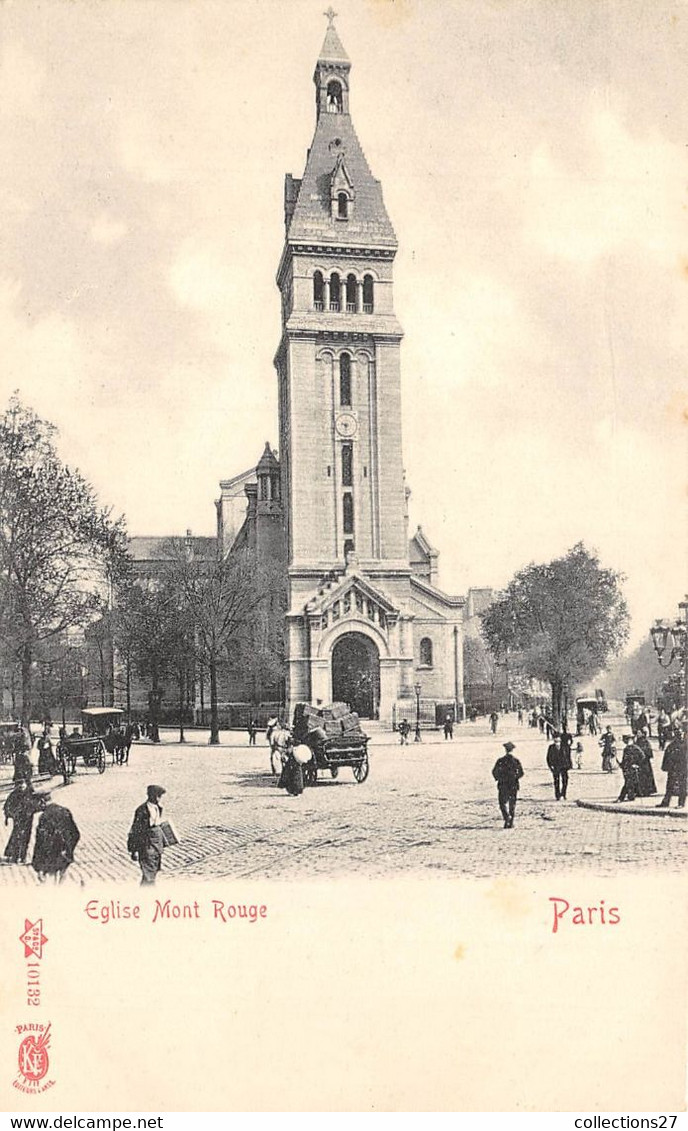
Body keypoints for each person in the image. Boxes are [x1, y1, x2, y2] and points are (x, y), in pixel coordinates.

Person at [31, 794, 80, 883]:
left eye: (36, 803)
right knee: (62, 879)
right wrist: (68, 849)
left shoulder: (44, 817)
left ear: (42, 801)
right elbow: (75, 834)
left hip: (50, 856)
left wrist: (38, 863)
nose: (36, 806)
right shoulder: (65, 811)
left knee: (50, 883)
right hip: (65, 855)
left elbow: (41, 841)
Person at [128, 785, 167, 885]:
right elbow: (135, 830)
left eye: (160, 796)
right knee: (148, 875)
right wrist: (134, 850)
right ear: (151, 796)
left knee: (152, 873)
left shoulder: (158, 808)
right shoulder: (142, 811)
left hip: (157, 847)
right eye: (157, 796)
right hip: (146, 846)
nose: (159, 799)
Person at [3, 780, 40, 864]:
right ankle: (14, 856)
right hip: (18, 819)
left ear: (26, 784)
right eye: (19, 784)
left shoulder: (31, 794)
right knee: (16, 836)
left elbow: (38, 804)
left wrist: (35, 809)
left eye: (23, 784)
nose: (21, 786)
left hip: (28, 819)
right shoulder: (14, 795)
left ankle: (23, 856)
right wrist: (10, 815)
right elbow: (7, 806)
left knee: (26, 837)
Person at [492, 741, 524, 828]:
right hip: (513, 784)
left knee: (502, 803)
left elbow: (494, 772)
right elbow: (521, 773)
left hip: (503, 784)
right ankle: (511, 821)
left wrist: (499, 779)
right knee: (512, 803)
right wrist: (515, 777)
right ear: (512, 750)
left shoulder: (500, 761)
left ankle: (507, 818)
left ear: (505, 750)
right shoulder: (516, 761)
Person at [657, 727, 687, 809]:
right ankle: (666, 802)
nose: (679, 736)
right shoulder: (672, 745)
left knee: (682, 786)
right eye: (677, 734)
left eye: (680, 734)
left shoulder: (686, 745)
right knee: (670, 786)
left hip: (682, 769)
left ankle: (681, 803)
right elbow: (667, 757)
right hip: (673, 769)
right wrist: (666, 767)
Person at [616, 736, 644, 803]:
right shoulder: (627, 749)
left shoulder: (635, 748)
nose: (627, 742)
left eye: (628, 740)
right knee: (629, 782)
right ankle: (630, 796)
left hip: (630, 768)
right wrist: (622, 765)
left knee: (628, 782)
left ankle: (622, 797)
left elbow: (642, 756)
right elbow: (624, 759)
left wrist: (637, 764)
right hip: (627, 768)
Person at [546, 732, 572, 800]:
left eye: (558, 741)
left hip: (564, 766)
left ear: (560, 740)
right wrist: (550, 766)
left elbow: (568, 756)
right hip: (555, 766)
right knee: (556, 781)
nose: (557, 742)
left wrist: (569, 765)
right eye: (555, 741)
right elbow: (548, 757)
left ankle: (563, 794)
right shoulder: (551, 747)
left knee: (565, 780)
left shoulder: (565, 746)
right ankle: (557, 795)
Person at [635, 728, 657, 796]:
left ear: (643, 734)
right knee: (639, 777)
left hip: (645, 762)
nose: (637, 734)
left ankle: (647, 791)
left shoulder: (645, 741)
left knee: (646, 776)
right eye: (637, 733)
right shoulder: (637, 741)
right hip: (639, 762)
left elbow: (649, 752)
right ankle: (640, 791)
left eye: (639, 733)